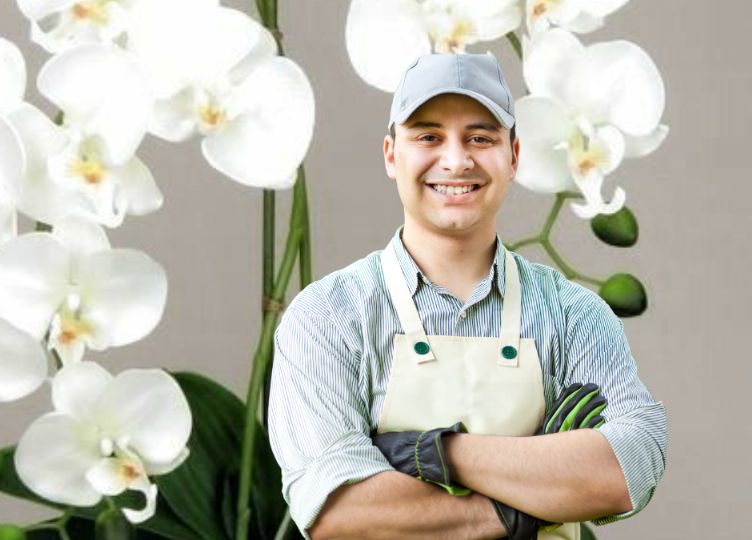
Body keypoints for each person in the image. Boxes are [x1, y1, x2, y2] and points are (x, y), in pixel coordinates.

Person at [267, 53, 668, 540]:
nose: (456, 160)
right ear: (392, 155)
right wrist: (517, 507)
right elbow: (339, 513)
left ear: (514, 156)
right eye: (428, 136)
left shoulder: (574, 315)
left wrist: (440, 453)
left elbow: (630, 470)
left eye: (480, 138)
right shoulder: (328, 317)